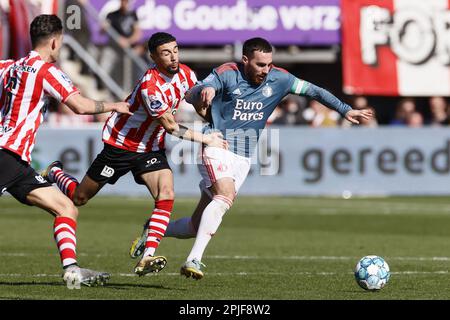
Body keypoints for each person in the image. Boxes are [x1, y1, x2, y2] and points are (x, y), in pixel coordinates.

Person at [129, 37, 374, 279]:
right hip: (217, 144)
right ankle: (194, 259)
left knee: (195, 226)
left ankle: (154, 229)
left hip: (244, 155)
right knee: (225, 196)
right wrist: (207, 91)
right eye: (259, 65)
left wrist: (345, 109)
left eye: (268, 64)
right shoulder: (227, 72)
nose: (265, 70)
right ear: (245, 60)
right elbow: (192, 92)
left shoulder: (280, 78)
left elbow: (314, 91)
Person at [41, 32, 227, 277]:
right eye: (166, 53)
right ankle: (54, 172)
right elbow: (170, 127)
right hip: (121, 145)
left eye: (175, 50)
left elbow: (196, 103)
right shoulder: (151, 87)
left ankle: (147, 258)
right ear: (153, 57)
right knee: (79, 198)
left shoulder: (186, 74)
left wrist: (210, 114)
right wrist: (206, 138)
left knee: (167, 193)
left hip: (150, 149)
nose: (173, 57)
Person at [0, 14, 131, 287]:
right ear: (55, 42)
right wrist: (114, 106)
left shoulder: (9, 67)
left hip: (15, 162)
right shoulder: (47, 72)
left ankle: (72, 270)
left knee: (66, 208)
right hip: (5, 155)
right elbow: (79, 105)